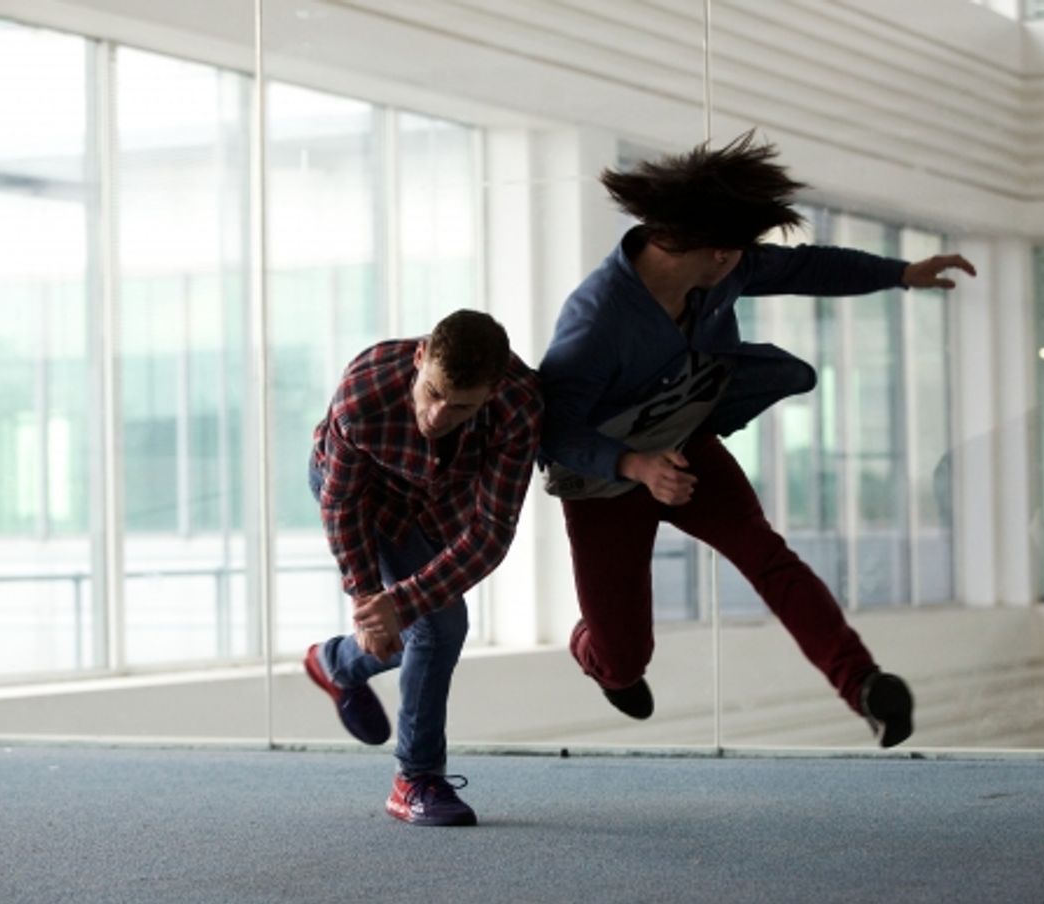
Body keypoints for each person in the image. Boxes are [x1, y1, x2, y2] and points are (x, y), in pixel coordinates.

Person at [537, 131, 976, 748]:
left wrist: (901, 273)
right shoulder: (597, 321)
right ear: (716, 251)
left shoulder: (722, 271)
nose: (747, 258)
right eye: (741, 248)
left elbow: (805, 266)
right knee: (625, 658)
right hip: (602, 480)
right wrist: (636, 465)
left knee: (766, 556)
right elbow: (555, 431)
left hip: (685, 448)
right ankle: (602, 657)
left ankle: (863, 685)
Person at [304, 309, 542, 826]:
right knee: (438, 627)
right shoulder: (363, 396)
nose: (437, 416)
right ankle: (414, 778)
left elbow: (490, 533)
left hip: (435, 505)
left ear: (491, 392)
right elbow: (343, 505)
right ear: (419, 358)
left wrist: (401, 603)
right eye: (432, 393)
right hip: (360, 498)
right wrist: (369, 599)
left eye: (460, 407)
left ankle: (337, 664)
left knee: (424, 624)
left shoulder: (518, 408)